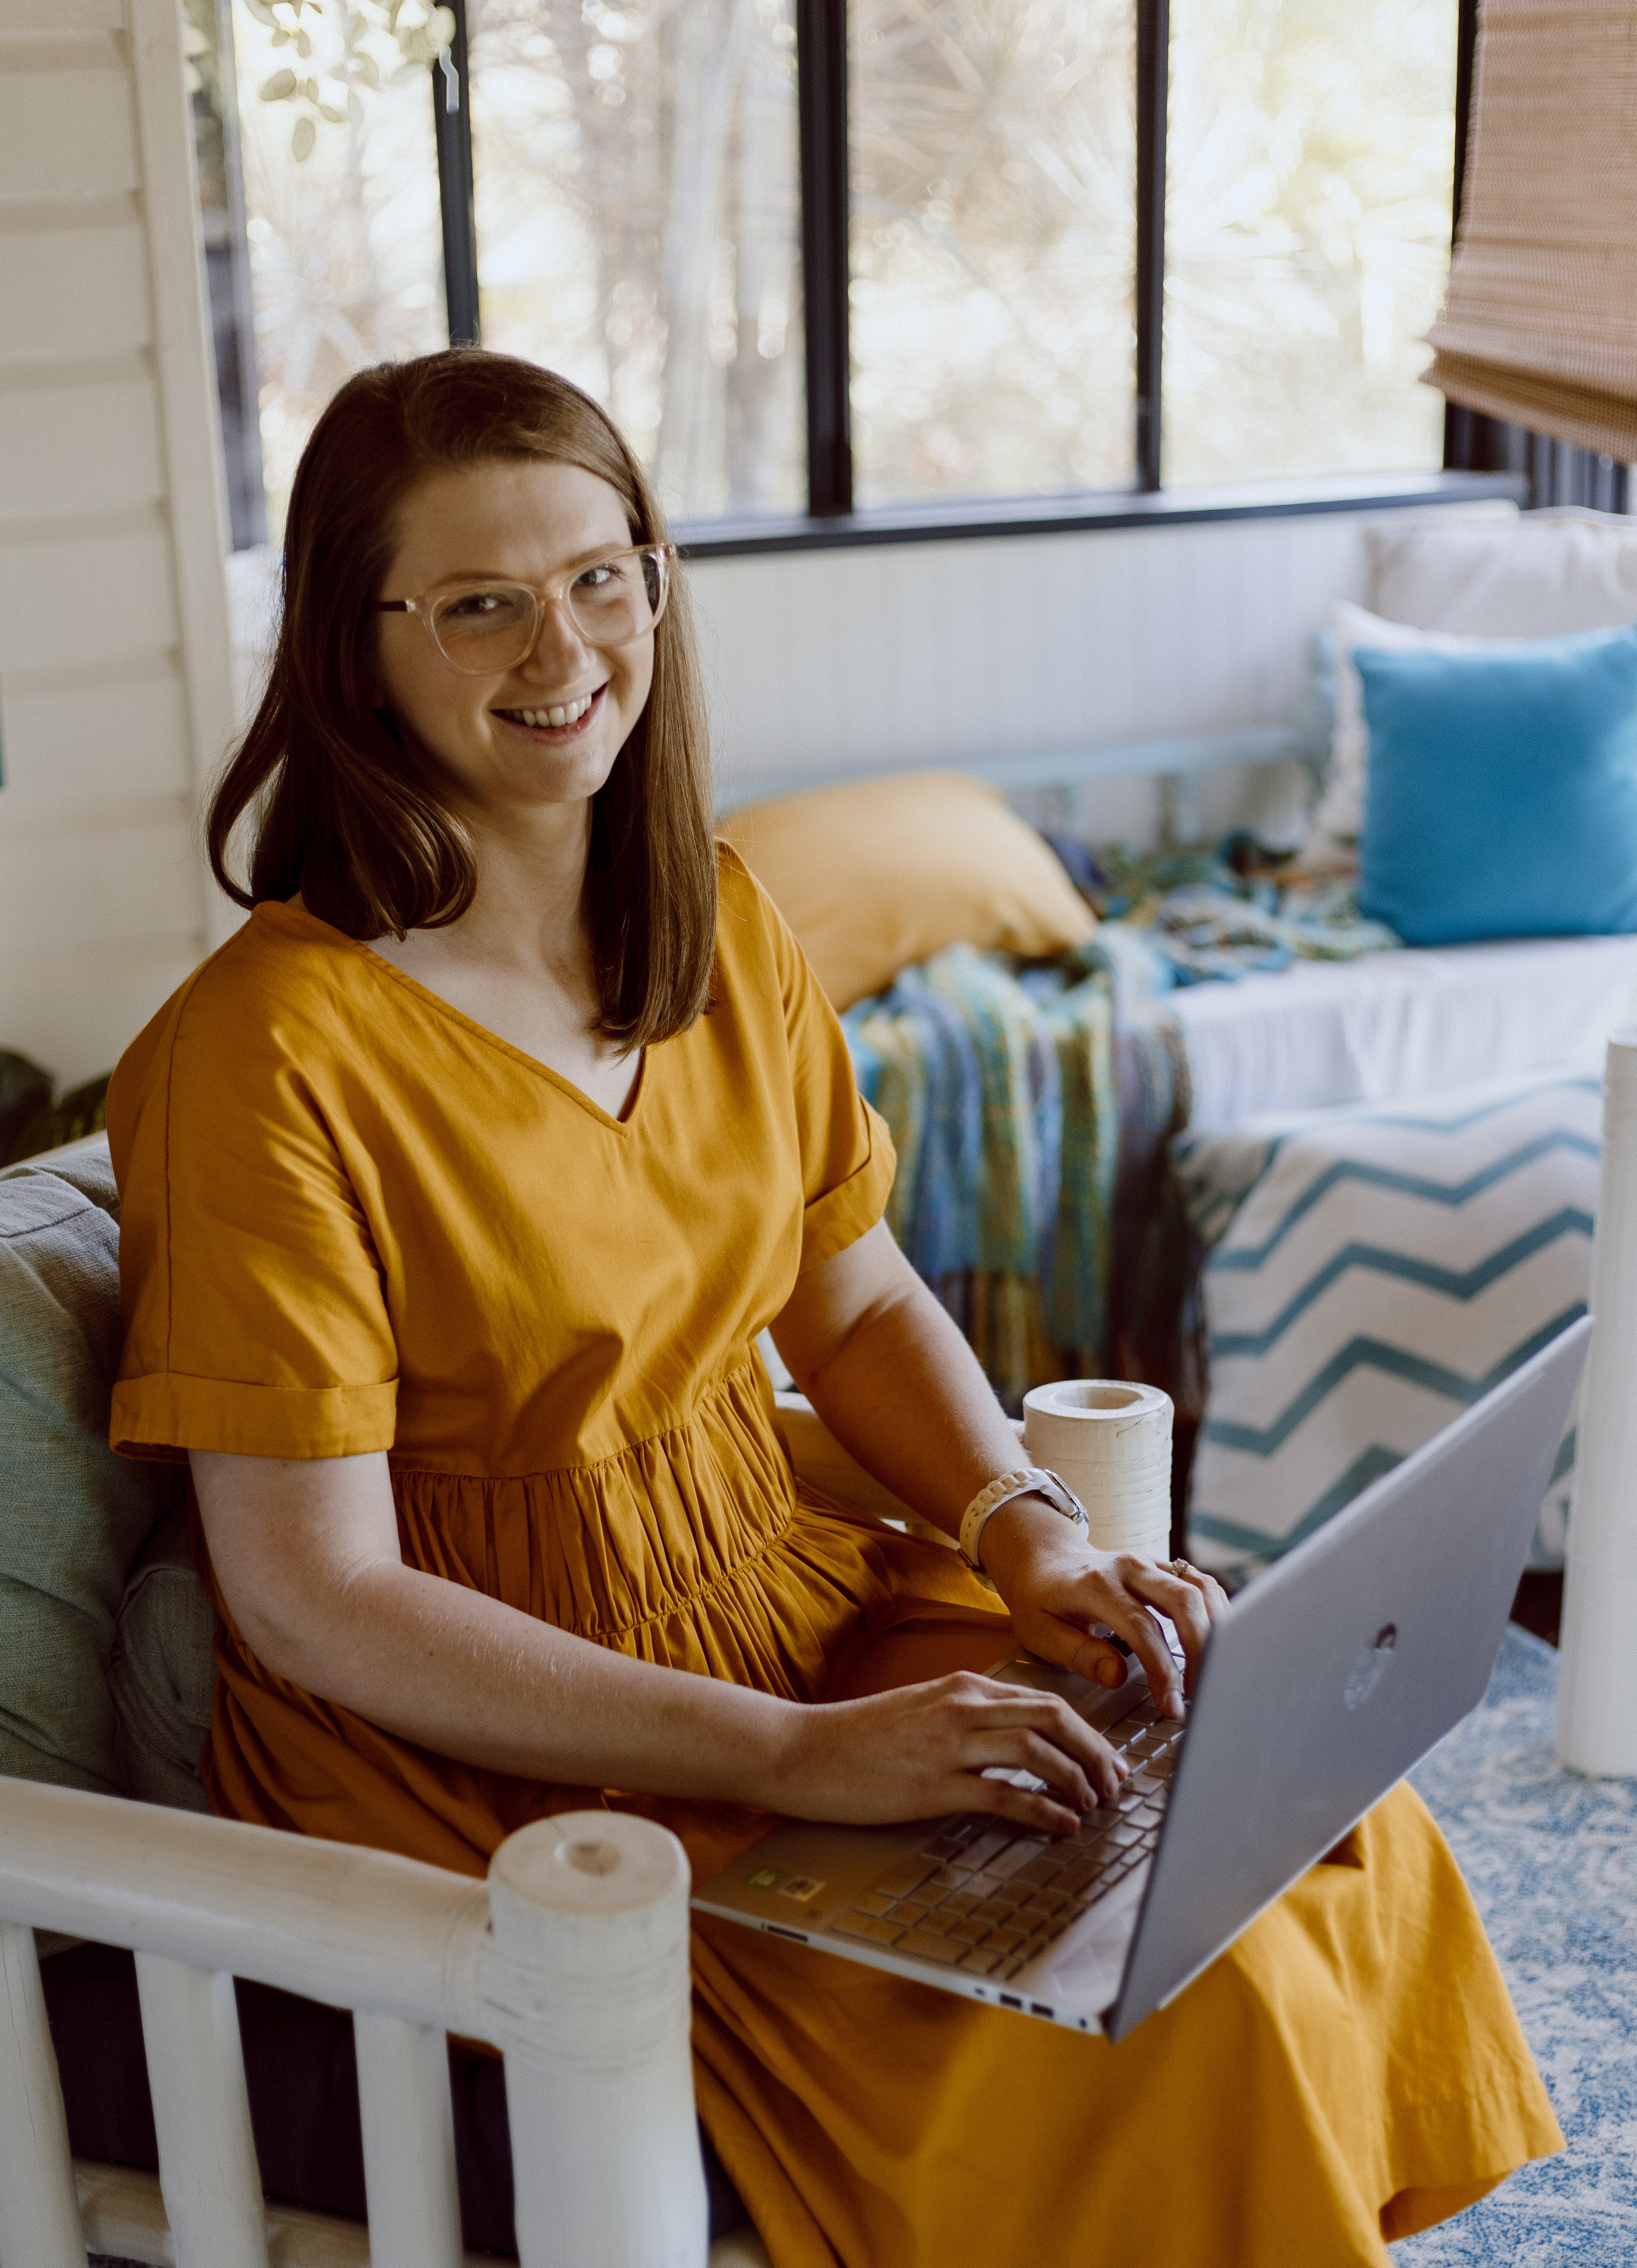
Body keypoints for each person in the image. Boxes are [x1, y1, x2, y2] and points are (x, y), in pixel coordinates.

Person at [107, 348, 1560, 2268]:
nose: (564, 647)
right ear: (354, 648)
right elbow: (317, 1594)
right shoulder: (261, 1056)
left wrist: (1018, 1528)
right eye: (479, 603)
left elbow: (856, 1302)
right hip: (503, 1743)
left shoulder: (715, 924)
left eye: (603, 575)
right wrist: (796, 1761)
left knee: (1311, 1838)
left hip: (795, 1597)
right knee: (1159, 2029)